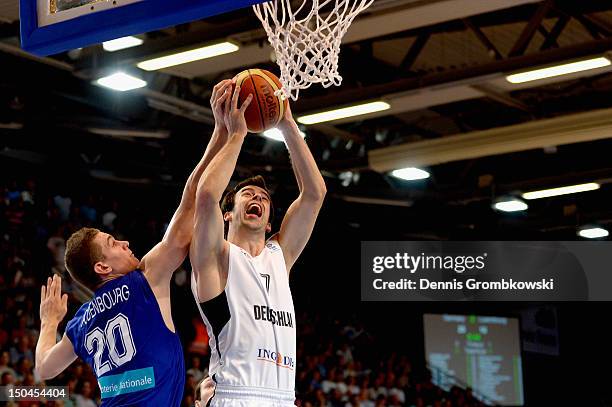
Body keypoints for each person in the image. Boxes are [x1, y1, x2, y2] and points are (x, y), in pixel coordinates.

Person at [34, 79, 236, 406]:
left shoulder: (82, 320)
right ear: (102, 267)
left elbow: (44, 368)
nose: (125, 243)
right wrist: (222, 132)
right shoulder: (145, 279)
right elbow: (190, 203)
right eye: (113, 243)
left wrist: (48, 323)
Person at [190, 81, 327, 405]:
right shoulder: (216, 256)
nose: (257, 198)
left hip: (282, 397)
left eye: (263, 198)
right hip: (236, 394)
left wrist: (287, 123)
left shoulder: (280, 255)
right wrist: (236, 134)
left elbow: (314, 194)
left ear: (269, 222)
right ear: (228, 215)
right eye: (247, 194)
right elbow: (206, 196)